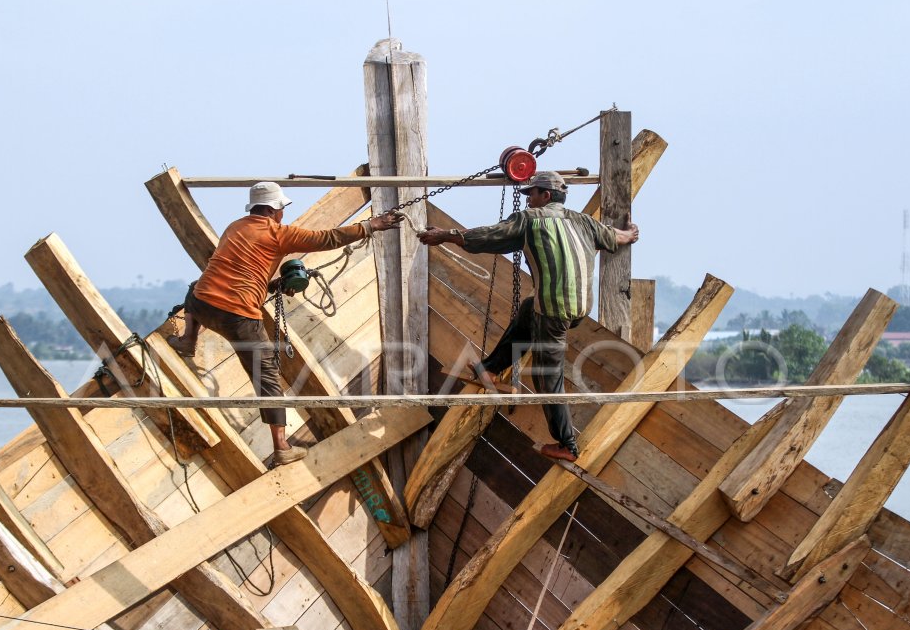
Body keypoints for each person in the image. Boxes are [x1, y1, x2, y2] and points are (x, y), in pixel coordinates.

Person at [170, 181, 404, 466]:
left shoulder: (235, 227)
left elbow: (238, 272)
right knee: (266, 375)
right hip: (239, 316)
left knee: (197, 286)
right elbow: (327, 239)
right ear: (272, 209)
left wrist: (273, 286)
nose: (283, 214)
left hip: (203, 305)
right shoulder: (278, 233)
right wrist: (372, 226)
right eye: (281, 209)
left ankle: (188, 340)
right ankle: (282, 447)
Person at [418, 170, 639, 463]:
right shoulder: (582, 221)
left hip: (553, 312)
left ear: (545, 196)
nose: (527, 201)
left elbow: (488, 236)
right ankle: (491, 367)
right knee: (527, 308)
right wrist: (631, 234)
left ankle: (567, 444)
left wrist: (445, 235)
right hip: (578, 309)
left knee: (546, 376)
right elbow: (616, 236)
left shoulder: (530, 221)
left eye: (531, 194)